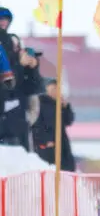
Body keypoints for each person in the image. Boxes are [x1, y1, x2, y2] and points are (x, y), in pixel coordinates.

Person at [0, 9, 42, 151]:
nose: (4, 22)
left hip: (17, 124)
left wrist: (32, 67)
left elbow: (32, 87)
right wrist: (18, 64)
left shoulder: (16, 51)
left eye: (6, 19)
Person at [31, 77, 76, 171]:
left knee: (65, 169)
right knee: (50, 170)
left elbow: (68, 121)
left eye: (58, 89)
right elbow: (36, 124)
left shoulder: (59, 104)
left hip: (61, 141)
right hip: (47, 144)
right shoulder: (40, 103)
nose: (56, 91)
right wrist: (46, 141)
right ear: (46, 90)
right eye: (53, 89)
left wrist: (65, 107)